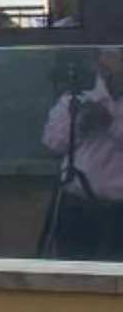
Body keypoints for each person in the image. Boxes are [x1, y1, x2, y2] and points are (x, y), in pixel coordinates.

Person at [41, 48, 123, 258]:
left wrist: (110, 123)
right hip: (79, 206)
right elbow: (52, 143)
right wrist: (80, 123)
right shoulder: (75, 99)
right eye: (112, 55)